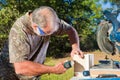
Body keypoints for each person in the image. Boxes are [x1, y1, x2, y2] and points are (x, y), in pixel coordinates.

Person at [8, 6, 84, 80]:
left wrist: (75, 48)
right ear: (35, 26)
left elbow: (70, 30)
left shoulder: (51, 21)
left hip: (33, 75)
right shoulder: (19, 31)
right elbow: (20, 67)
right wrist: (53, 69)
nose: (49, 36)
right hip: (11, 75)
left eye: (52, 32)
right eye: (46, 33)